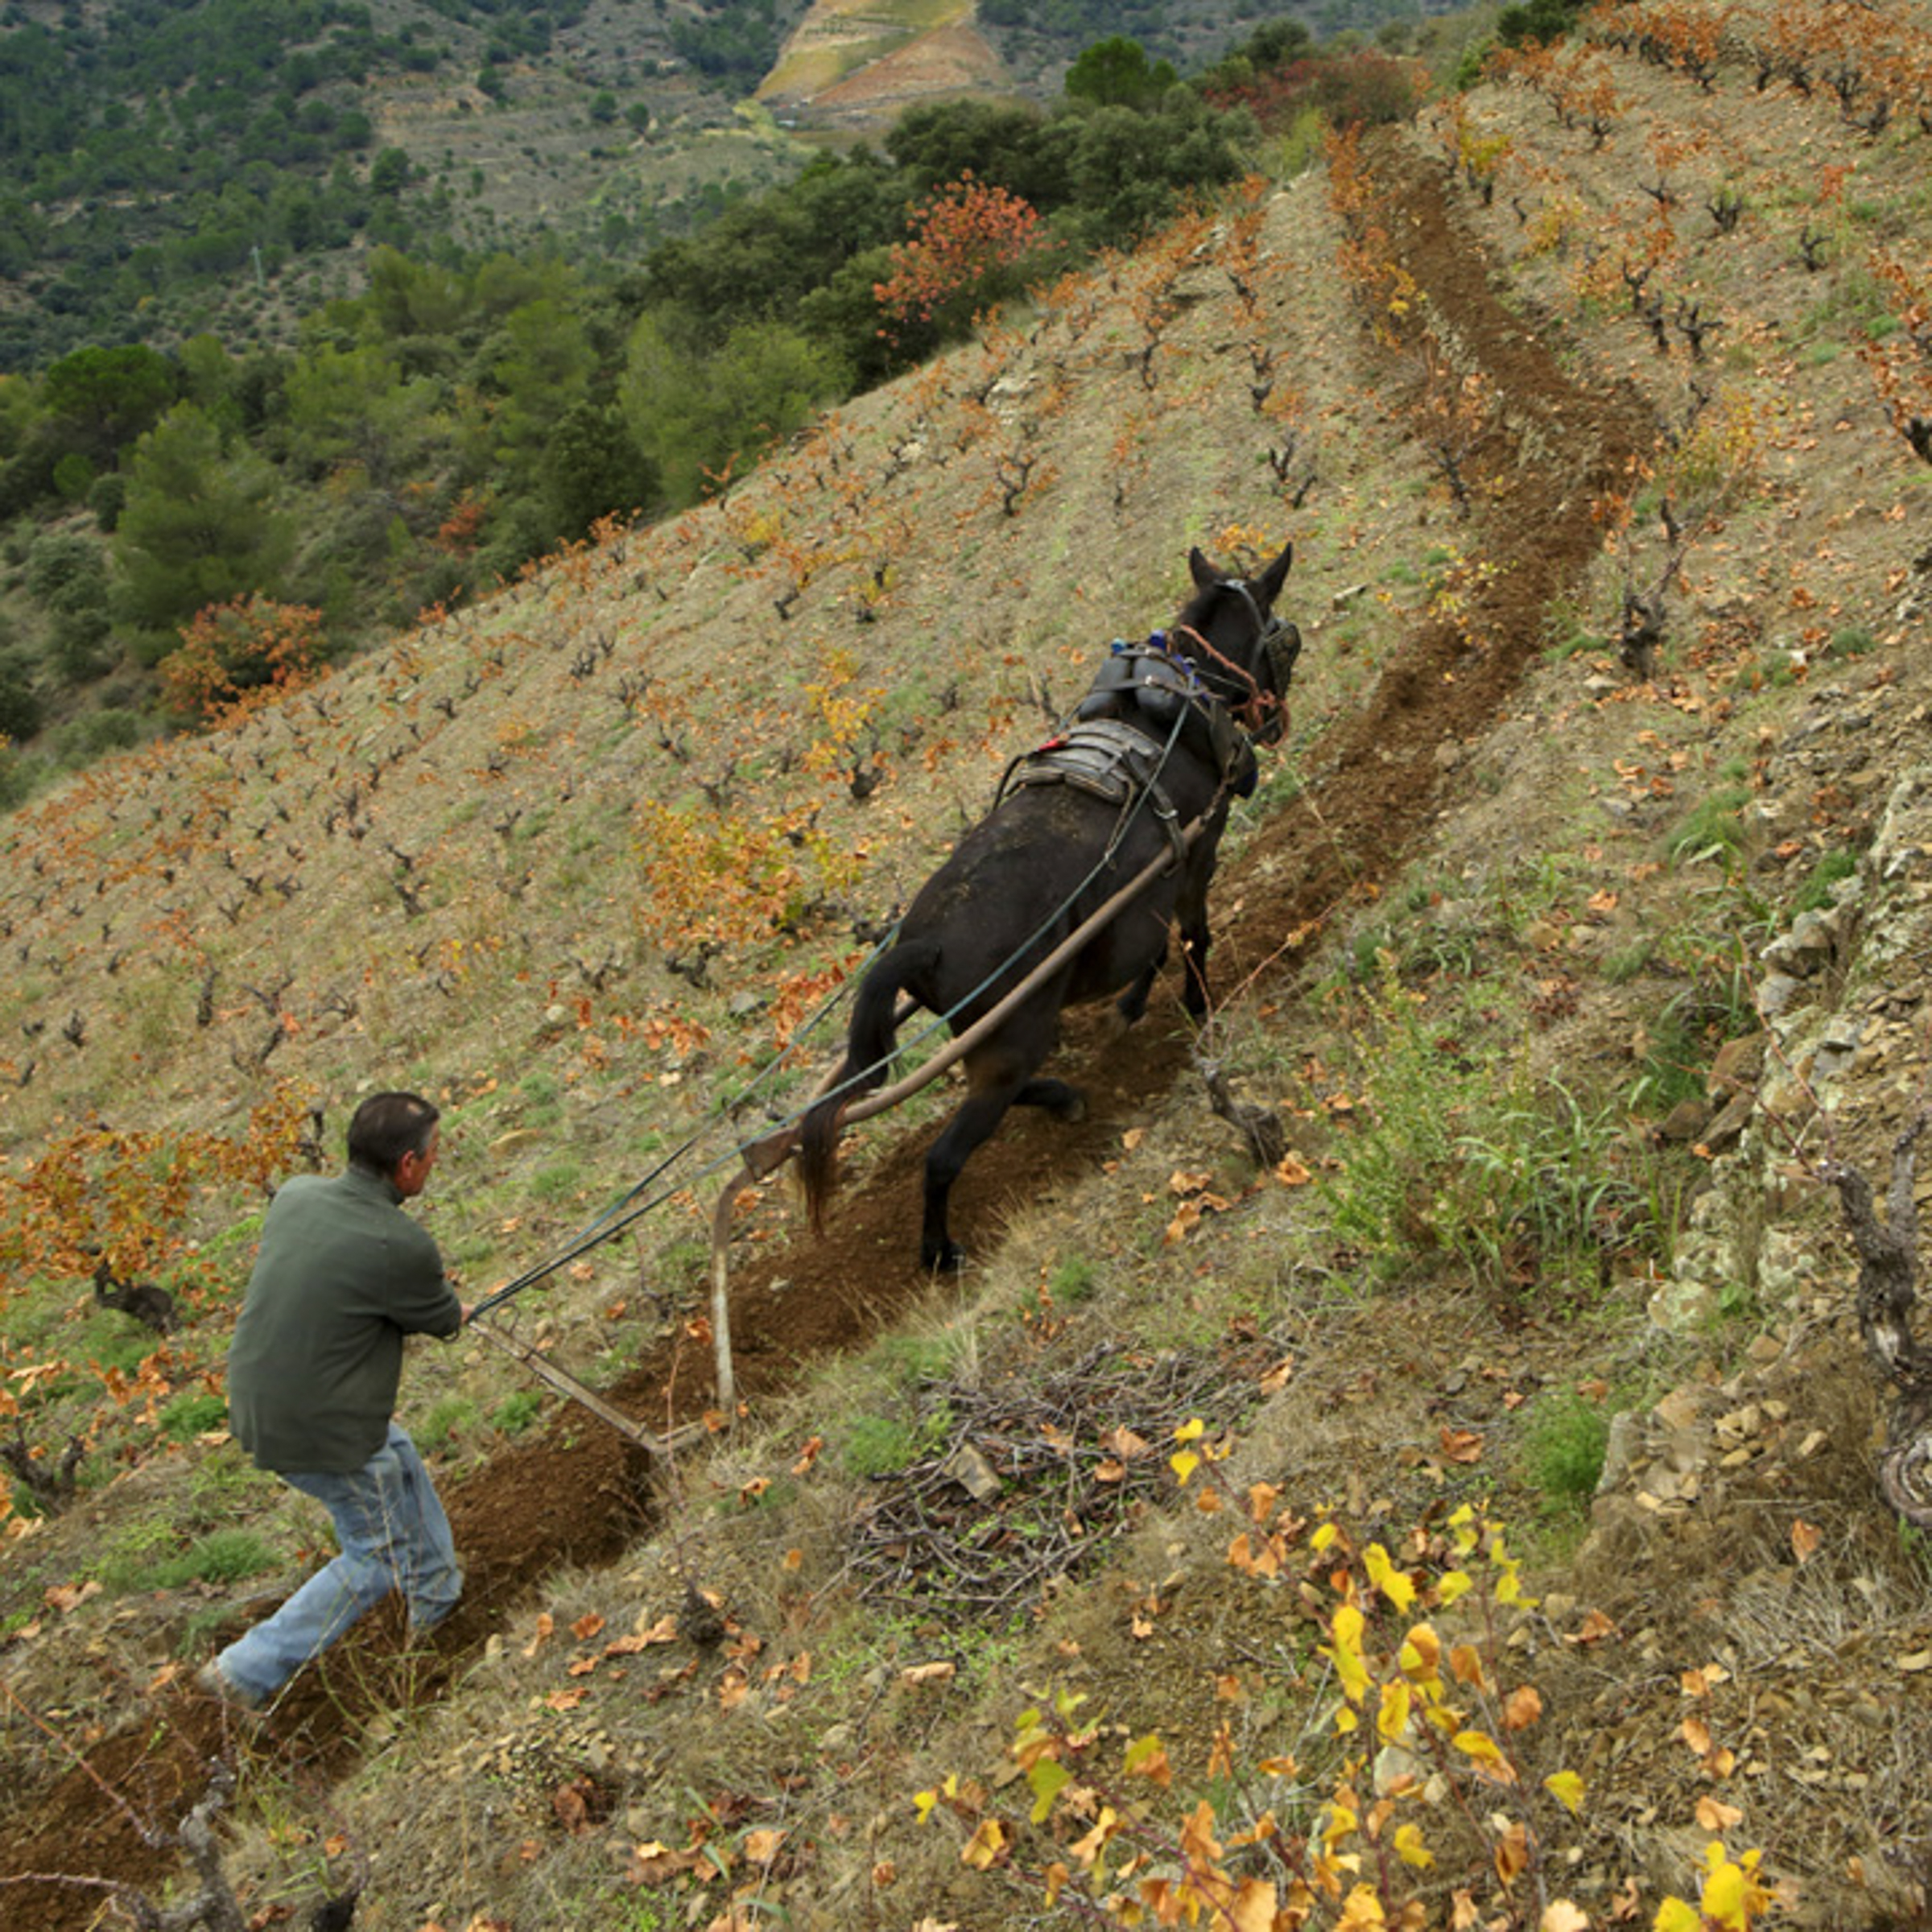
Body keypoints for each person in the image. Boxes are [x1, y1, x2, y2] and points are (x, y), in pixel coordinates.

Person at [198, 1091, 470, 1711]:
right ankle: (245, 1671)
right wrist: (454, 1310)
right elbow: (442, 1318)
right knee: (376, 1554)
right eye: (432, 1155)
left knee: (394, 1451)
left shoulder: (295, 1195)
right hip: (318, 1429)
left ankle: (436, 1593)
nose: (434, 1165)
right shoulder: (397, 1243)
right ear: (406, 1165)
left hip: (262, 1397)